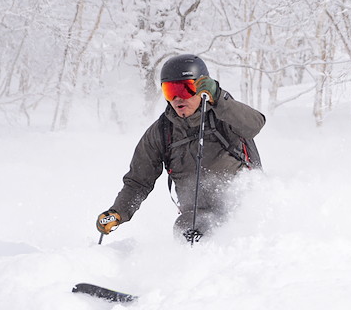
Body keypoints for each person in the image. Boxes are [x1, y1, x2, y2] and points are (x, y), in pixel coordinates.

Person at [96, 54, 265, 242]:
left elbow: (255, 124)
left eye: (185, 89)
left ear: (202, 87)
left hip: (244, 210)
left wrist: (218, 97)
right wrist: (118, 212)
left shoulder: (224, 114)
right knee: (187, 234)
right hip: (197, 217)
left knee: (240, 238)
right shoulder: (162, 132)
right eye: (170, 91)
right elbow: (138, 181)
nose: (177, 98)